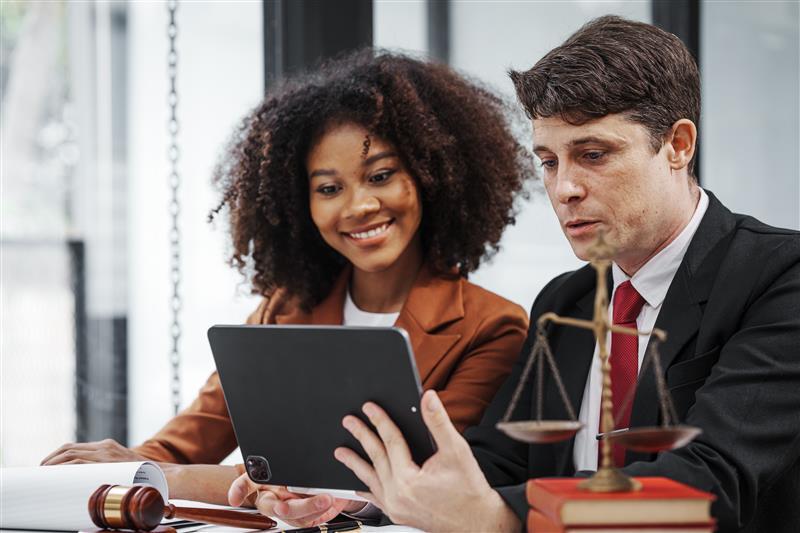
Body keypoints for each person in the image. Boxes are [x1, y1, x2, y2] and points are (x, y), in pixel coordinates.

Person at [328, 16, 800, 533]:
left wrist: (503, 518)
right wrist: (364, 497)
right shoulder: (565, 300)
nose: (565, 189)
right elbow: (500, 460)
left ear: (678, 145)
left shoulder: (779, 277)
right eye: (549, 162)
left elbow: (709, 483)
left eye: (593, 155)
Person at [40, 50, 536, 513]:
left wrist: (150, 475)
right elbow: (182, 446)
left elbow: (399, 479)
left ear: (432, 176)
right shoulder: (284, 310)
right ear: (302, 205)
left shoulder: (492, 327)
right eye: (329, 188)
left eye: (381, 175)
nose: (358, 205)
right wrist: (119, 466)